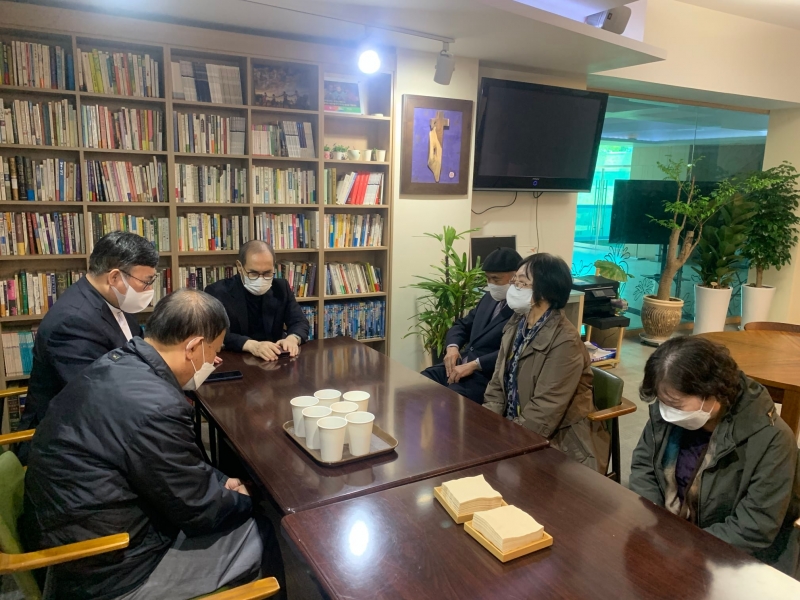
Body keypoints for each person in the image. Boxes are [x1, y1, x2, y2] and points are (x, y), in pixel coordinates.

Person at [21, 289, 285, 600]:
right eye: (214, 351)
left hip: (69, 534)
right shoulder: (158, 407)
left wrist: (218, 482)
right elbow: (198, 511)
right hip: (108, 571)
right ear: (193, 347)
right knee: (262, 529)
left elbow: (169, 470)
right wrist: (247, 497)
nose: (215, 360)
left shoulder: (116, 362)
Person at [630, 336, 800, 576]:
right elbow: (643, 466)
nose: (667, 412)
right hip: (668, 541)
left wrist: (686, 548)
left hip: (730, 560)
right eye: (662, 402)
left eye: (676, 404)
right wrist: (656, 522)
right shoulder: (667, 416)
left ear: (714, 393)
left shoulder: (771, 440)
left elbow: (754, 526)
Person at [483, 253, 610, 473]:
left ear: (545, 292)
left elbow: (545, 409)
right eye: (515, 281)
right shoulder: (517, 323)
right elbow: (497, 383)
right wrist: (488, 426)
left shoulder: (565, 341)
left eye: (522, 283)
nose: (514, 288)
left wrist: (508, 443)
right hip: (516, 428)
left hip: (559, 442)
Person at [22, 231, 159, 433]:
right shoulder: (72, 322)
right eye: (146, 282)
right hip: (71, 432)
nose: (149, 290)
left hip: (111, 411)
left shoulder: (115, 299)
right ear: (114, 277)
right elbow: (97, 395)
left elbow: (139, 350)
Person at [421, 247, 521, 404]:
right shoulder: (489, 298)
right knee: (420, 382)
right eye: (487, 279)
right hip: (460, 364)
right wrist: (452, 347)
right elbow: (461, 326)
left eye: (496, 279)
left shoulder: (521, 309)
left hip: (484, 375)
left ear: (516, 277)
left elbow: (512, 351)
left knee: (450, 401)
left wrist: (475, 365)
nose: (491, 284)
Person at [205, 240, 309, 361]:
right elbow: (214, 333)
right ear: (239, 267)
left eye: (267, 273)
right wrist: (251, 345)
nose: (261, 279)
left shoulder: (281, 287)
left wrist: (292, 339)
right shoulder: (217, 292)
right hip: (236, 359)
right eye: (253, 273)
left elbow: (300, 321)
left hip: (275, 358)